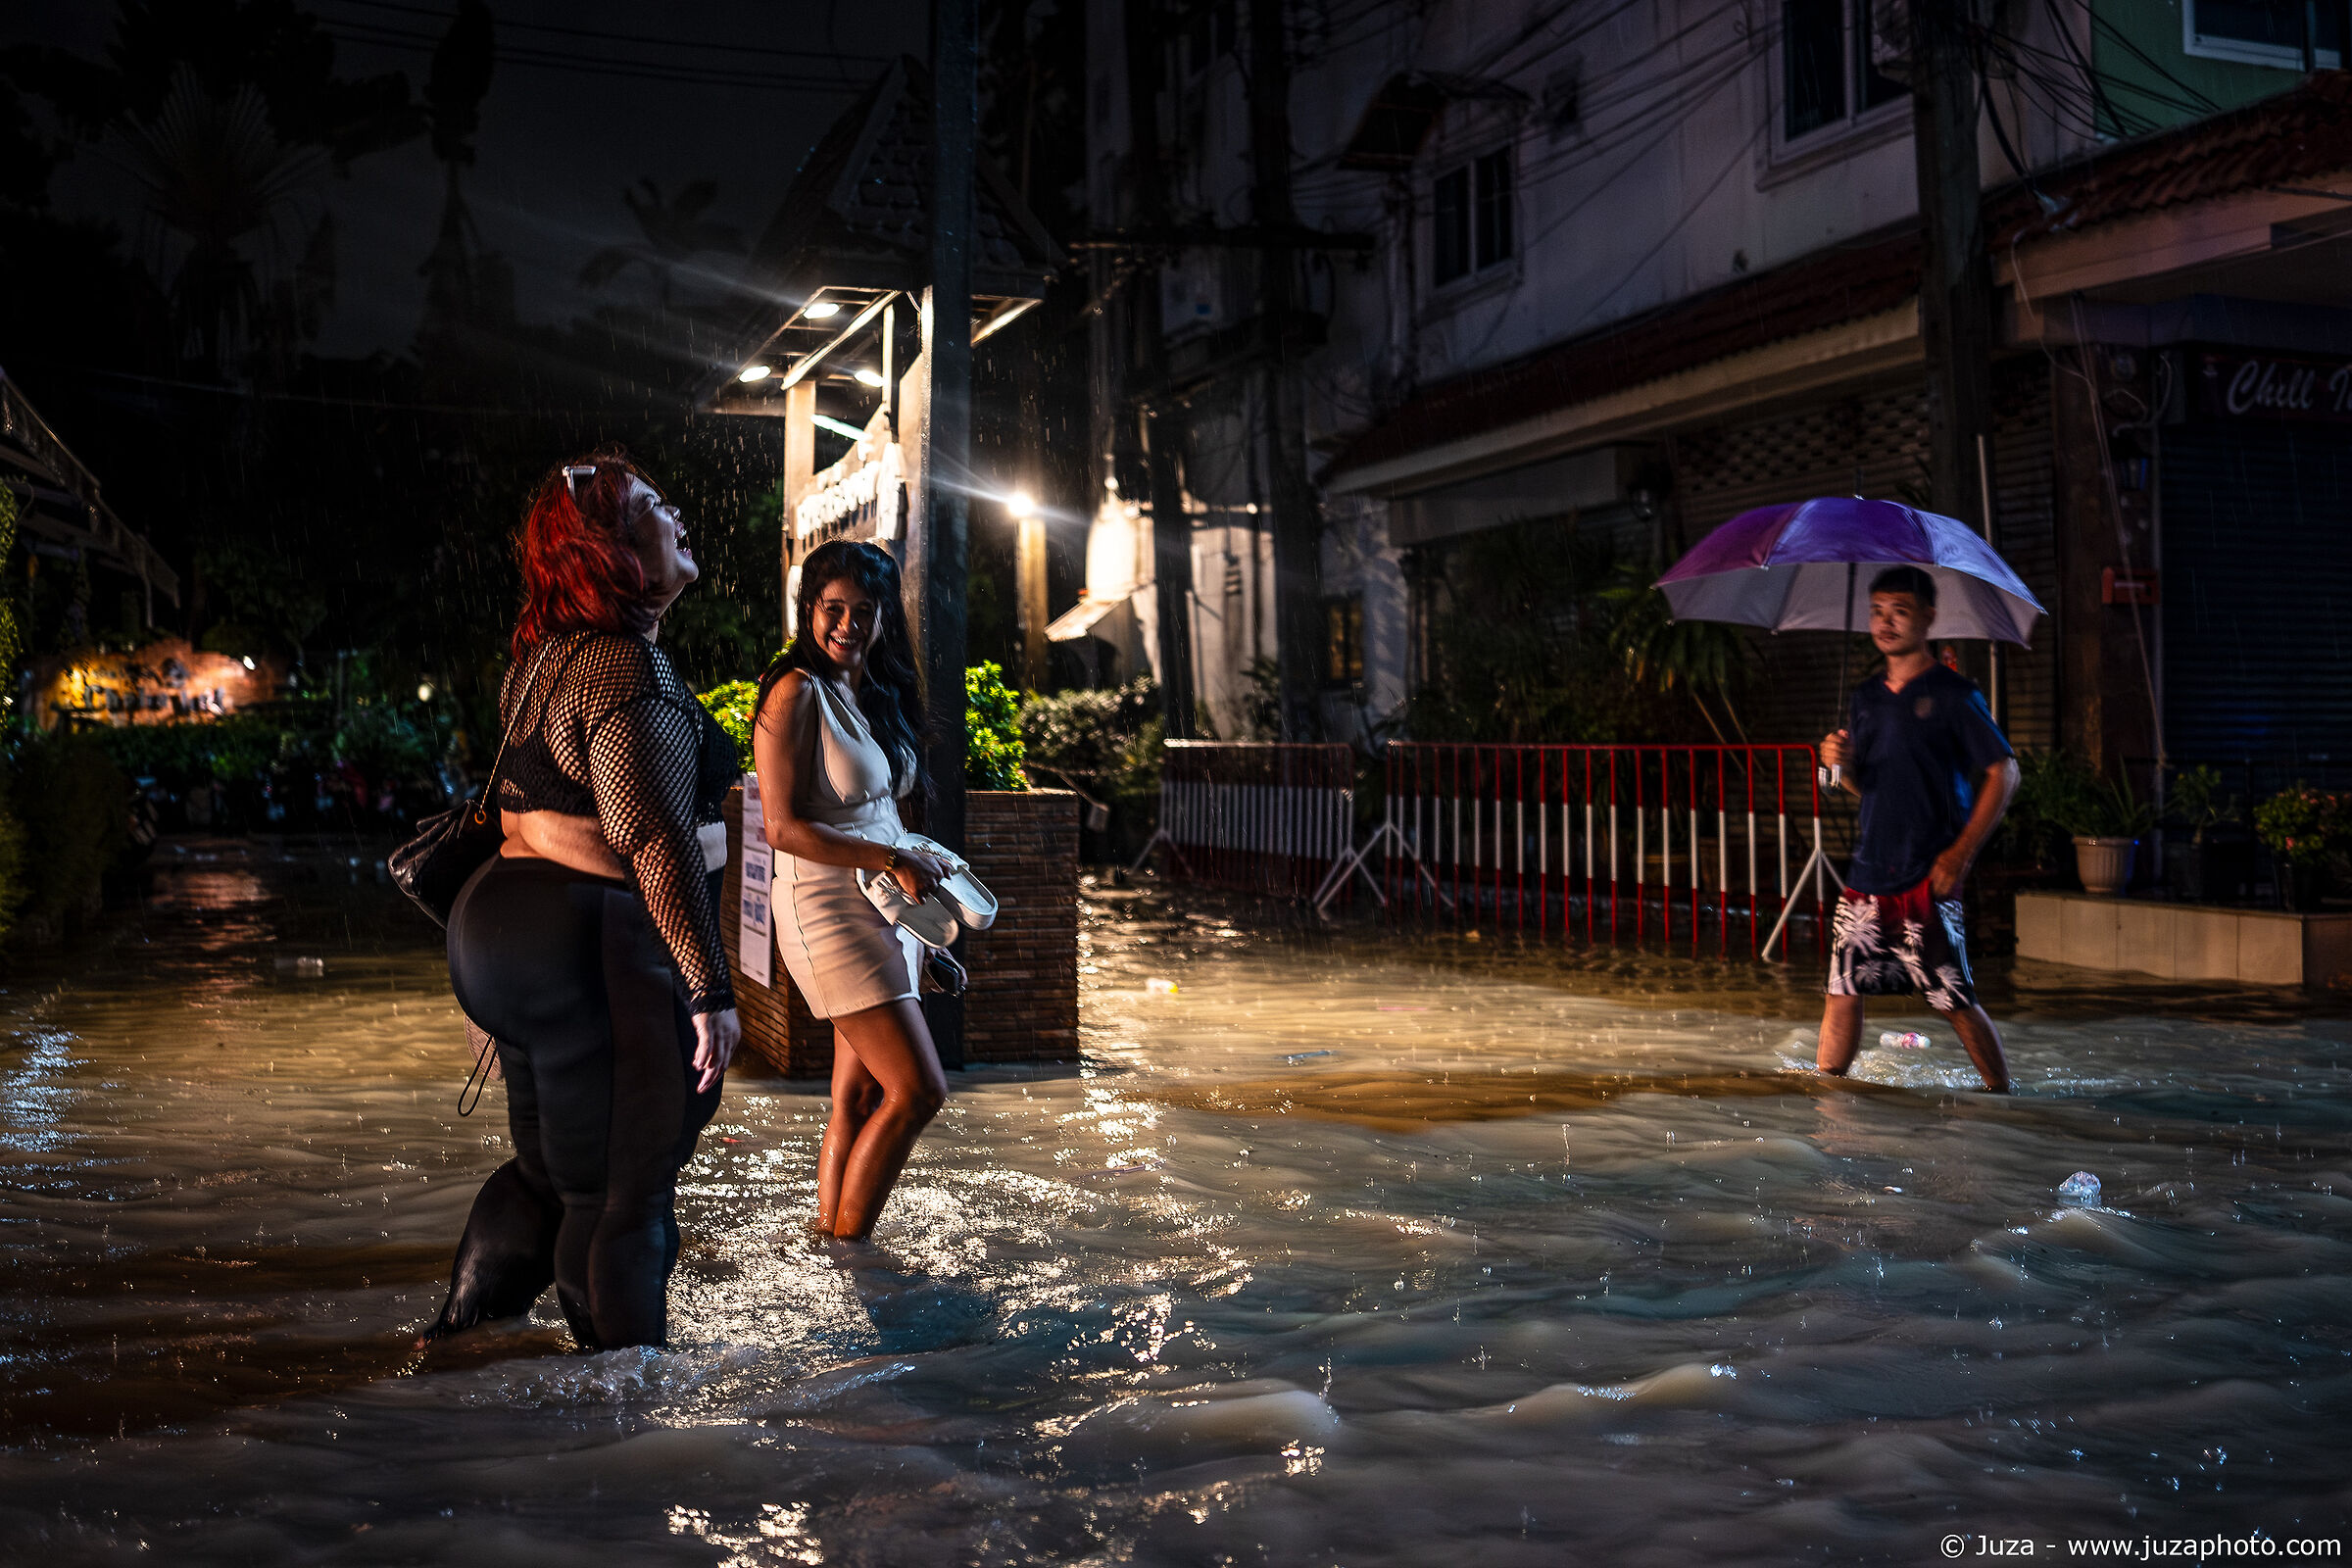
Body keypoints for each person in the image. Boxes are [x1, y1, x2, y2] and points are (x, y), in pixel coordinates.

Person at [427, 452, 742, 1349]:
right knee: (623, 1199)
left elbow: (540, 808)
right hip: (591, 944)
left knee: (548, 1172)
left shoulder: (544, 661)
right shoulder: (619, 670)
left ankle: (457, 1343)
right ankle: (625, 1426)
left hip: (509, 933)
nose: (677, 513)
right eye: (652, 505)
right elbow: (653, 837)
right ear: (610, 552)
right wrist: (711, 990)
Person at [751, 540, 956, 1241]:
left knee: (859, 1091)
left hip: (884, 906)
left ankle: (833, 1248)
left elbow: (886, 815)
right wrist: (889, 857)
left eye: (863, 611)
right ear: (809, 611)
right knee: (919, 1090)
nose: (847, 625)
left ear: (882, 619)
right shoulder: (794, 691)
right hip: (826, 910)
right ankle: (856, 1252)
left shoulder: (871, 693)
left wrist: (928, 916)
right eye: (832, 609)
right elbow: (781, 827)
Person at [1816, 564, 2018, 1093]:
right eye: (1877, 611)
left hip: (1929, 872)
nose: (1885, 622)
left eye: (1899, 611)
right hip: (1867, 870)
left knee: (1952, 997)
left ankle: (2004, 1099)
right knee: (1842, 988)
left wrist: (1960, 855)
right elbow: (1860, 785)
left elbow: (2005, 772)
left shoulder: (1954, 694)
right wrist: (1834, 763)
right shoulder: (1864, 698)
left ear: (1928, 617)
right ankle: (1826, 1096)